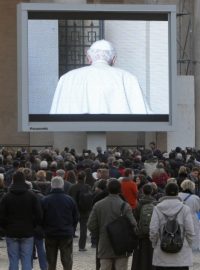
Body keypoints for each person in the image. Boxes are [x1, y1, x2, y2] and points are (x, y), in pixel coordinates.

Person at [50, 39, 148, 114]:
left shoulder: (67, 78)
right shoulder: (128, 78)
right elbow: (145, 117)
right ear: (114, 59)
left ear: (88, 58)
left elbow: (54, 116)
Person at [87, 179, 137, 270]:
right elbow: (133, 224)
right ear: (119, 190)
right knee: (121, 267)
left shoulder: (98, 205)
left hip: (104, 242)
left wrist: (100, 233)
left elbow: (90, 224)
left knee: (105, 267)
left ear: (108, 189)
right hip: (122, 244)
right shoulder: (125, 205)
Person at [0, 171, 43, 270]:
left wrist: (5, 228)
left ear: (13, 180)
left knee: (13, 260)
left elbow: (1, 215)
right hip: (28, 231)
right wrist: (35, 226)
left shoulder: (7, 197)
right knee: (27, 259)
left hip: (11, 232)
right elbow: (39, 215)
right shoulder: (32, 196)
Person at [149, 182, 195, 270]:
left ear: (165, 192)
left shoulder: (157, 208)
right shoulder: (185, 208)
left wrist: (155, 244)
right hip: (181, 254)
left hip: (162, 251)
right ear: (178, 193)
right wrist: (188, 244)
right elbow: (190, 231)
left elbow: (153, 230)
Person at [42, 176, 79, 270]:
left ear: (51, 186)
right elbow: (75, 217)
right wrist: (72, 229)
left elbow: (41, 217)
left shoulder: (45, 200)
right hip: (66, 233)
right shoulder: (69, 200)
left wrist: (44, 229)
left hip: (50, 233)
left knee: (51, 260)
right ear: (62, 186)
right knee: (67, 260)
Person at [178, 179, 200, 251]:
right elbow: (198, 209)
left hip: (180, 218)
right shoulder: (195, 198)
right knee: (193, 235)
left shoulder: (178, 196)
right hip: (192, 219)